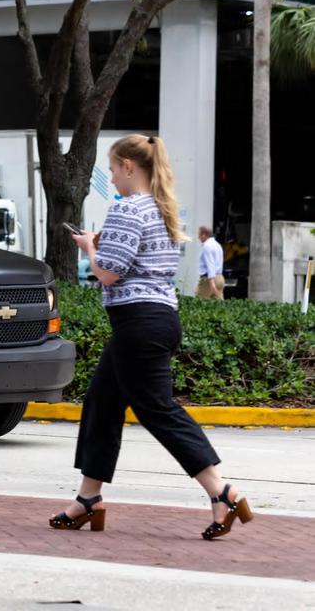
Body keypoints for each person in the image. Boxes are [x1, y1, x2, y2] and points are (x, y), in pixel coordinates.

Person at [51, 134, 253, 541]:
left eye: (112, 168)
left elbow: (108, 273)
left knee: (157, 409)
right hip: (154, 319)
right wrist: (104, 247)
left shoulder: (127, 208)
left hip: (139, 323)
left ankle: (221, 491)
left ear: (129, 166)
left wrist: (89, 247)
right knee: (102, 402)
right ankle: (89, 499)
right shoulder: (160, 209)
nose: (112, 177)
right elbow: (137, 262)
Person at [196, 226, 225, 300]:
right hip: (220, 278)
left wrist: (211, 282)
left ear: (204, 234)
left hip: (209, 280)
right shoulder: (218, 245)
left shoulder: (207, 246)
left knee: (199, 304)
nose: (198, 237)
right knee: (220, 307)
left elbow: (210, 264)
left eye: (199, 234)